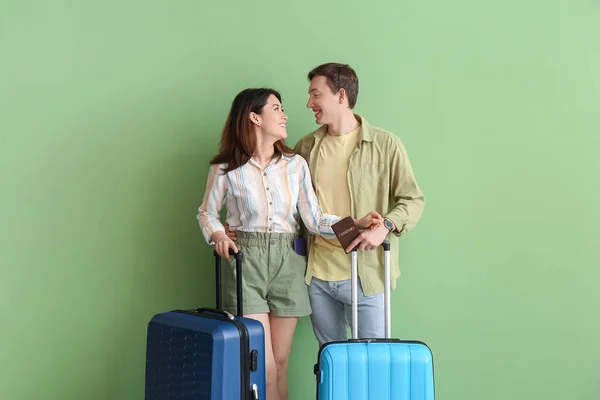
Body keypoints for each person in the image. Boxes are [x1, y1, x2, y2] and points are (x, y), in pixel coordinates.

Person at [196, 88, 382, 400]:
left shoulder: (295, 165)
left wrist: (355, 223)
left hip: (288, 262)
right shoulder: (226, 168)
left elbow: (315, 219)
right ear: (255, 117)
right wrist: (217, 235)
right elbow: (207, 213)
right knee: (262, 367)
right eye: (277, 109)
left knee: (280, 365)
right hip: (246, 263)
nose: (285, 116)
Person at [293, 62, 426, 346]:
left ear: (341, 96)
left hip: (366, 274)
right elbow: (292, 208)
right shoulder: (304, 148)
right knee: (331, 362)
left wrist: (385, 226)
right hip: (317, 274)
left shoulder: (385, 144)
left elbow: (413, 200)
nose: (309, 103)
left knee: (373, 363)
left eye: (316, 95)